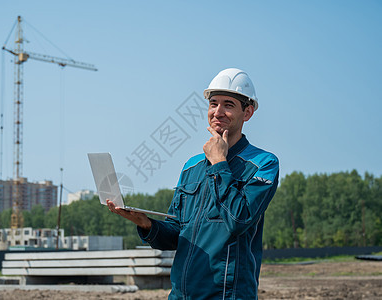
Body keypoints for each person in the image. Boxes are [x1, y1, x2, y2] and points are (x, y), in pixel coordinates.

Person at [107, 68, 279, 299]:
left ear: (247, 112)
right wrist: (147, 224)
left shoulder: (263, 164)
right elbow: (178, 233)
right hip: (181, 295)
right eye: (213, 104)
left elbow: (239, 219)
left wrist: (219, 162)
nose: (218, 112)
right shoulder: (192, 167)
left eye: (228, 104)